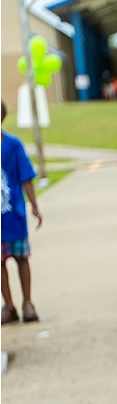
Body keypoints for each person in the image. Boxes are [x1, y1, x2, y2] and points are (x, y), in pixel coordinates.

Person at [1, 100, 42, 324]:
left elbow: (26, 176)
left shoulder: (13, 145)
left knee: (21, 258)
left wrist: (34, 205)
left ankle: (28, 302)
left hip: (14, 216)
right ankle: (8, 305)